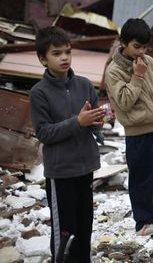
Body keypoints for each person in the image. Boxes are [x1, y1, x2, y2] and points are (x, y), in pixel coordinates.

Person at [29, 26, 104, 262]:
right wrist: (78, 121)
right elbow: (44, 133)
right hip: (61, 173)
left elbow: (94, 126)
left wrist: (98, 121)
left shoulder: (84, 85)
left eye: (68, 52)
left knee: (84, 227)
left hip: (85, 169)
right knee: (65, 231)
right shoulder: (39, 93)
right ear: (43, 58)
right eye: (57, 53)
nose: (64, 58)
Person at [104, 18, 153, 236]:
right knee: (142, 178)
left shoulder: (149, 61)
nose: (141, 51)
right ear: (123, 43)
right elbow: (124, 101)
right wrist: (137, 75)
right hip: (138, 133)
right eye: (136, 46)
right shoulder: (114, 71)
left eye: (145, 46)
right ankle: (144, 222)